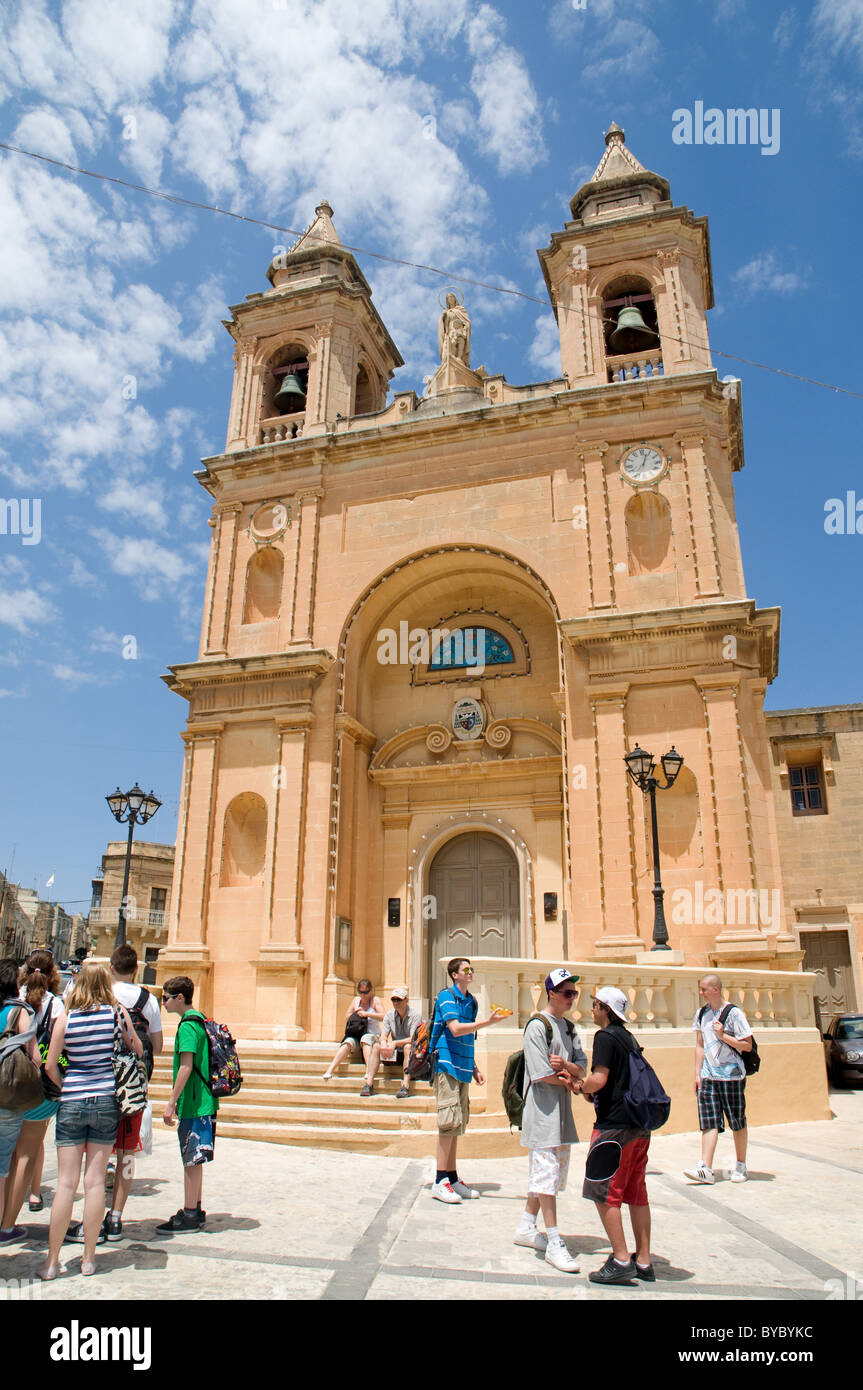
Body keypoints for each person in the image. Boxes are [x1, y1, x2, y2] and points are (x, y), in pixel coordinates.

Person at [38, 961, 143, 1280]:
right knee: (95, 1181)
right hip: (106, 1100)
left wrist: (66, 1086)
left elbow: (50, 1065)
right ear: (106, 984)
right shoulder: (115, 1013)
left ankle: (53, 1262)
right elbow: (136, 1048)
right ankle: (88, 1259)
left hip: (71, 1100)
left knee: (66, 1184)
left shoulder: (65, 1016)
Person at [554, 986, 653, 1285]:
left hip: (614, 1129)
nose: (592, 1009)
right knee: (636, 1193)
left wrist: (576, 1085)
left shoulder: (606, 1036)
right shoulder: (628, 1037)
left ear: (606, 1009)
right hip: (638, 1127)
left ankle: (622, 1258)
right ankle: (644, 1261)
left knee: (603, 1191)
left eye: (596, 1004)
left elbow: (599, 1080)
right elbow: (615, 1085)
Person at [514, 968, 587, 1272]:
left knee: (550, 1176)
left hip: (560, 1114)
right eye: (567, 992)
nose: (572, 998)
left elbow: (583, 1066)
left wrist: (568, 1068)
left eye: (574, 993)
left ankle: (526, 1227)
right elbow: (542, 1073)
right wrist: (571, 1082)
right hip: (542, 1113)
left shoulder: (569, 1028)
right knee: (547, 1173)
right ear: (552, 993)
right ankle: (554, 1241)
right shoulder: (536, 1026)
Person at [429, 958, 508, 1204]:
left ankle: (451, 1177)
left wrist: (474, 1069)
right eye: (466, 970)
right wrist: (488, 1022)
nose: (470, 972)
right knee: (447, 1122)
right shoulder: (445, 997)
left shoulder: (471, 1001)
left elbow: (468, 1038)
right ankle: (439, 1180)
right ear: (454, 975)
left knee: (456, 1123)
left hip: (462, 1066)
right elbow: (454, 1029)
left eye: (471, 969)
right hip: (446, 1064)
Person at [0, 951, 65, 1244]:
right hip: (36, 1089)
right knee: (25, 1155)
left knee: (6, 1157)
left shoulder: (14, 998)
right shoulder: (56, 1004)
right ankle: (8, 1224)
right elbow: (49, 1054)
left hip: (6, 1085)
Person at [103, 944, 163, 1241]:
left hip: (98, 1084)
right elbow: (158, 1046)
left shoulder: (98, 998)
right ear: (136, 969)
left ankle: (90, 1218)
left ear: (110, 969)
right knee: (127, 1152)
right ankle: (115, 1218)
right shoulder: (148, 1000)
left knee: (96, 1152)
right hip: (133, 1088)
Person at [157, 976, 217, 1233]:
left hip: (193, 1102)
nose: (163, 1003)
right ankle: (195, 1207)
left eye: (166, 998)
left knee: (191, 1160)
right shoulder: (201, 1019)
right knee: (195, 1159)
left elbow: (186, 1066)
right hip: (205, 1101)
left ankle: (190, 1213)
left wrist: (171, 1102)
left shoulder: (187, 1027)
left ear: (179, 998)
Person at [684, 973, 753, 1186]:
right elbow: (700, 1045)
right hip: (708, 1075)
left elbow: (747, 1045)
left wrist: (723, 1037)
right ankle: (705, 1167)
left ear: (715, 989)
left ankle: (741, 1164)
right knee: (709, 1120)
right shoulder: (701, 1013)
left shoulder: (734, 1014)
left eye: (704, 989)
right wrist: (697, 1074)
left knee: (736, 1120)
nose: (701, 992)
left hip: (731, 1076)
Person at [0, 958, 41, 1238]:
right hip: (8, 1091)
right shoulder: (19, 1011)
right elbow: (36, 1056)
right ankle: (4, 1228)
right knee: (3, 1165)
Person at [322, 979, 384, 1096]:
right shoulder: (356, 1000)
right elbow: (346, 1016)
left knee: (365, 1040)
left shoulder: (375, 1001)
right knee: (347, 1043)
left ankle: (368, 1070)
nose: (363, 995)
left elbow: (384, 1016)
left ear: (370, 991)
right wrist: (356, 1011)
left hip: (372, 1034)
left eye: (366, 992)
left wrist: (368, 1014)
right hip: (357, 1033)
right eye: (361, 992)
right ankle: (330, 1069)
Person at [379, 988, 421, 1098]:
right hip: (395, 1052)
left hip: (410, 1053)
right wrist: (384, 1043)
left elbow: (413, 1039)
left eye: (399, 1000)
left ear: (406, 1000)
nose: (396, 1003)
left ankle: (405, 1085)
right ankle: (369, 1083)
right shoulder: (389, 1015)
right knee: (375, 1046)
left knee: (408, 1047)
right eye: (393, 1000)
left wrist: (394, 1043)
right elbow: (383, 1035)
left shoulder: (415, 1015)